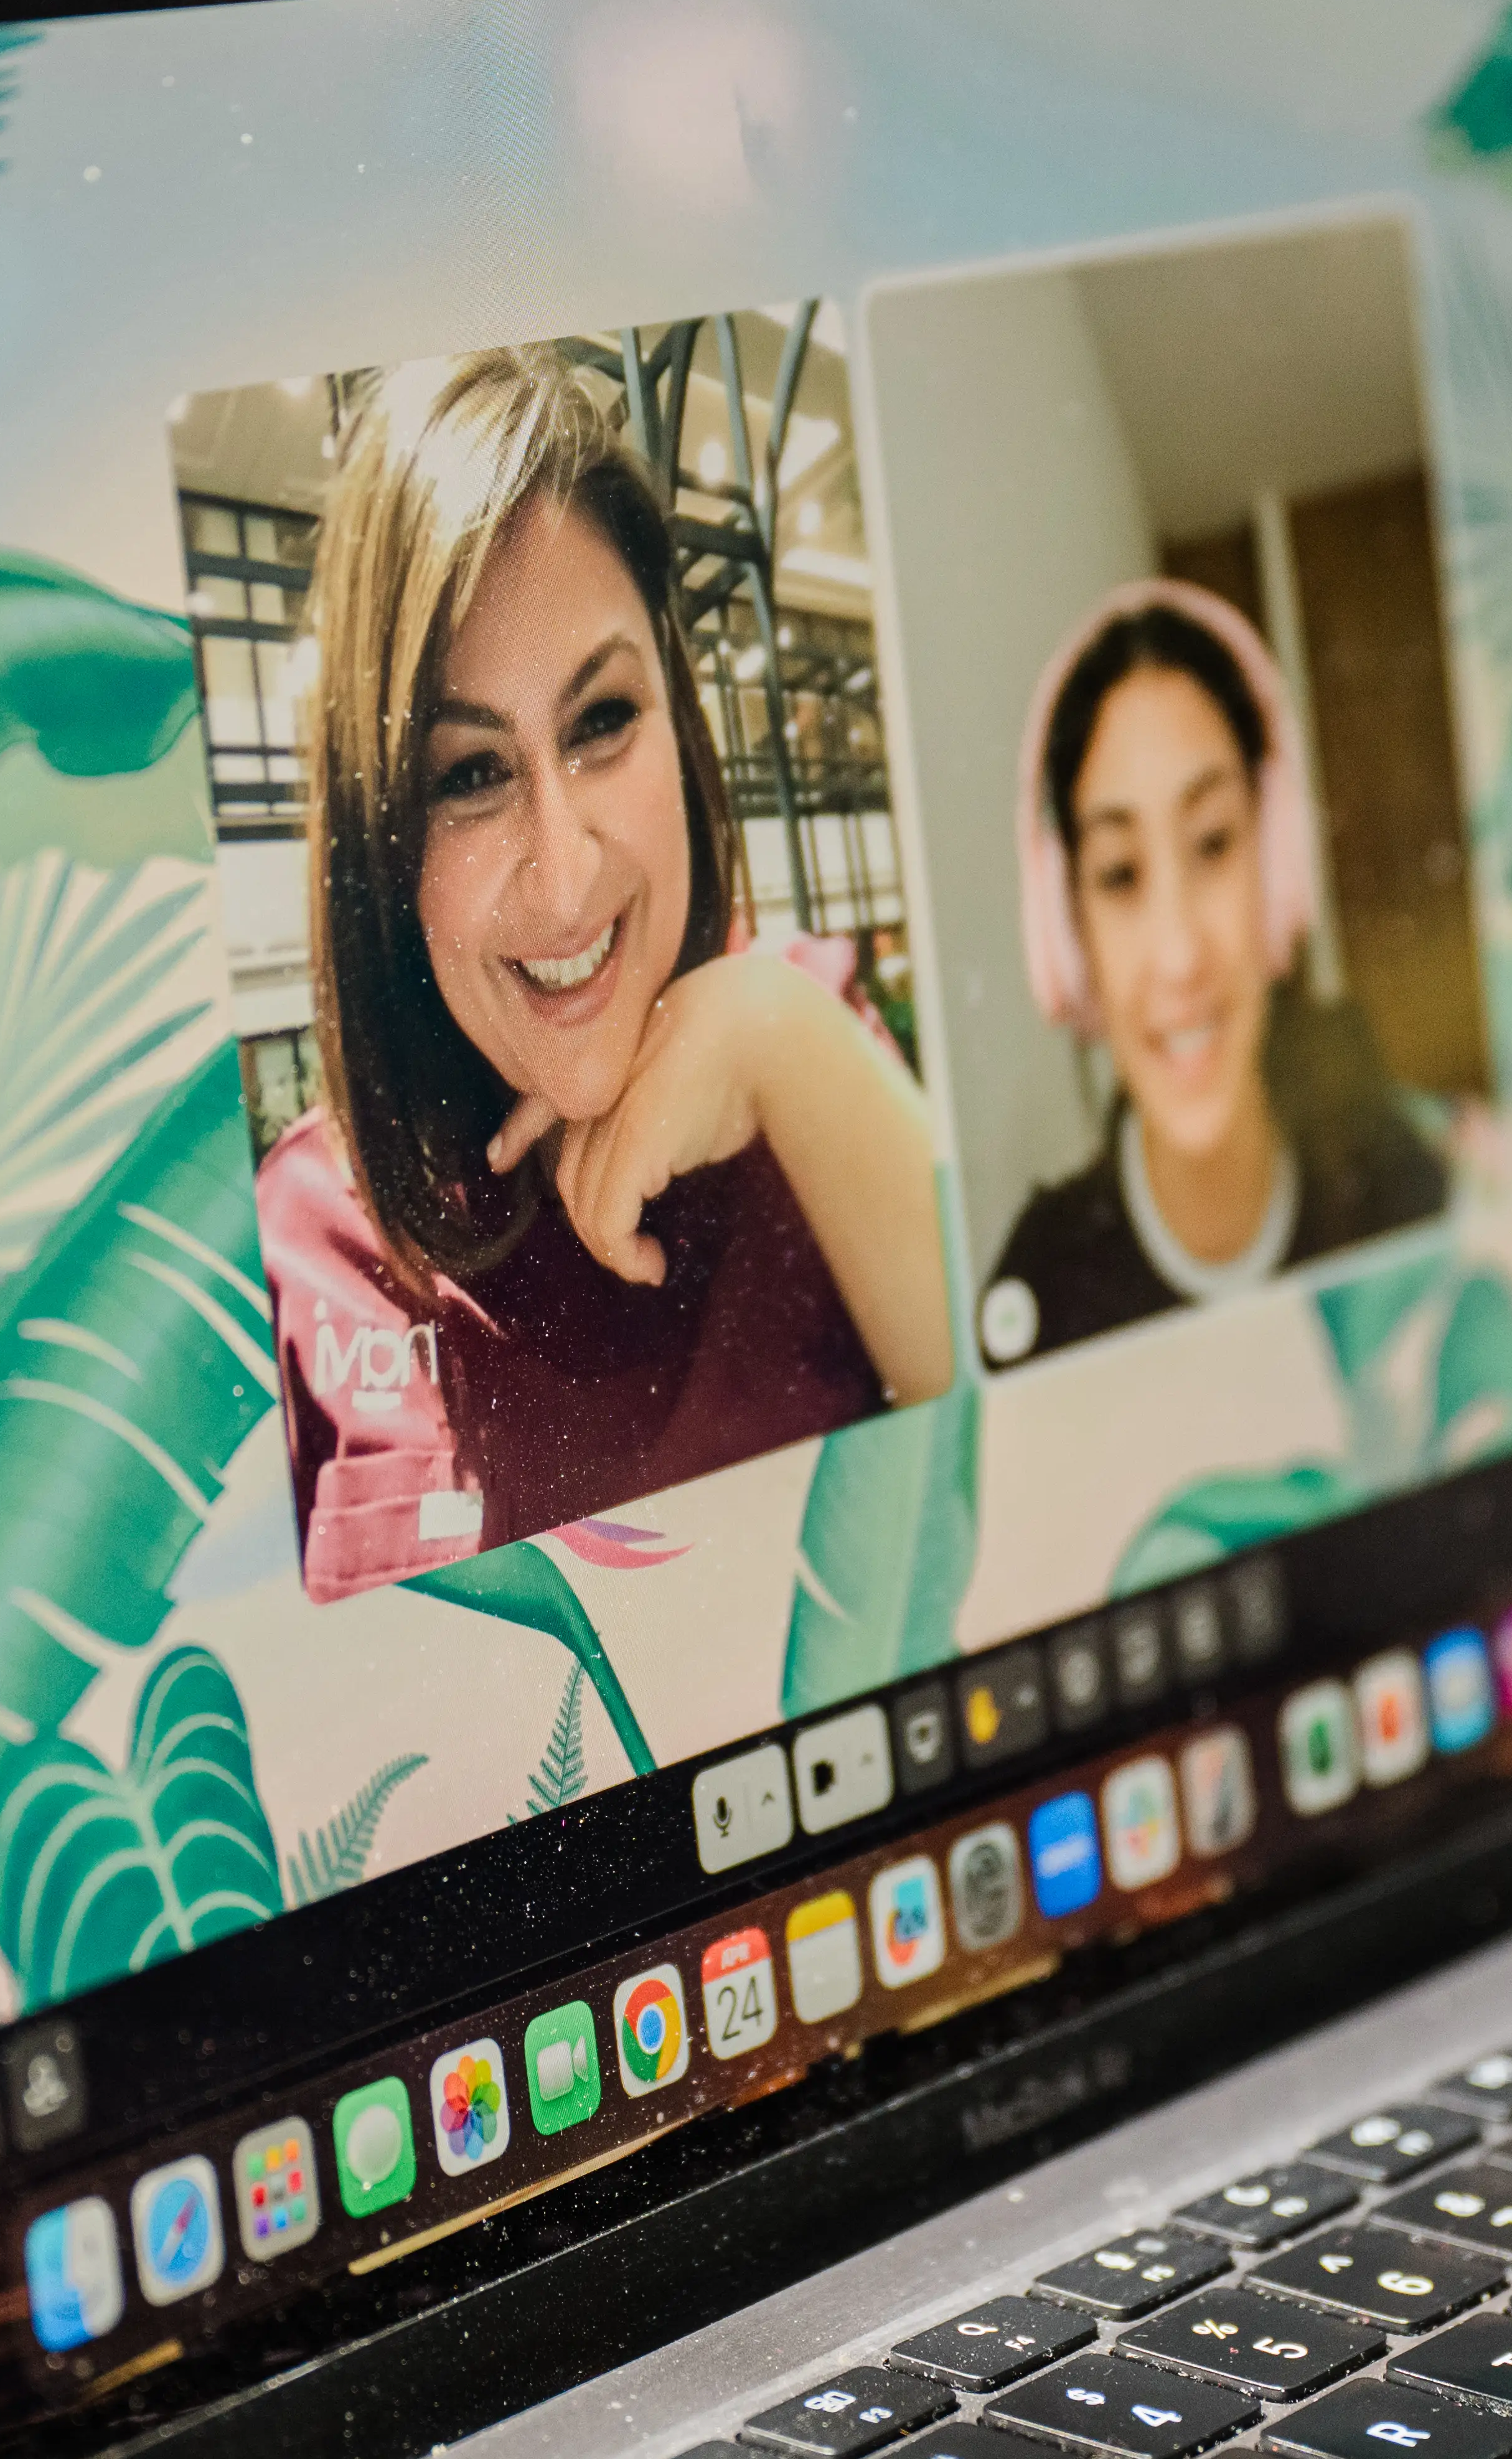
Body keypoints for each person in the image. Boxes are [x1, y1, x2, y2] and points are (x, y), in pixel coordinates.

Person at [259, 346, 953, 1602]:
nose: (567, 871)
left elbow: (1051, 1477)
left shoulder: (810, 1045)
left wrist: (778, 1045)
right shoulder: (298, 1240)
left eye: (601, 721)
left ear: (678, 724)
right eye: (469, 775)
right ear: (379, 835)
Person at [978, 580, 1445, 1367]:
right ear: (1070, 933)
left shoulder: (1398, 1183)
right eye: (1120, 875)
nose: (1179, 955)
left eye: (1214, 843)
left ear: (1276, 867)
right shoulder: (1040, 1297)